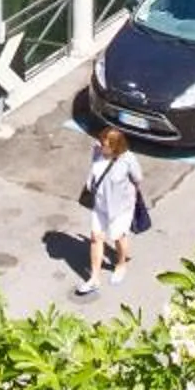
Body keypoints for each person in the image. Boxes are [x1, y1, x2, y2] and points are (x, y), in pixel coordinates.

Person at [79, 126, 142, 297]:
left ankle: (121, 264)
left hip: (120, 208)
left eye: (105, 145)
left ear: (116, 147)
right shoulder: (97, 151)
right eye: (101, 143)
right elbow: (94, 171)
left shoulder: (127, 160)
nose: (101, 147)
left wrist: (128, 197)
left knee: (118, 237)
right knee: (95, 238)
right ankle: (94, 278)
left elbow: (138, 179)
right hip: (100, 205)